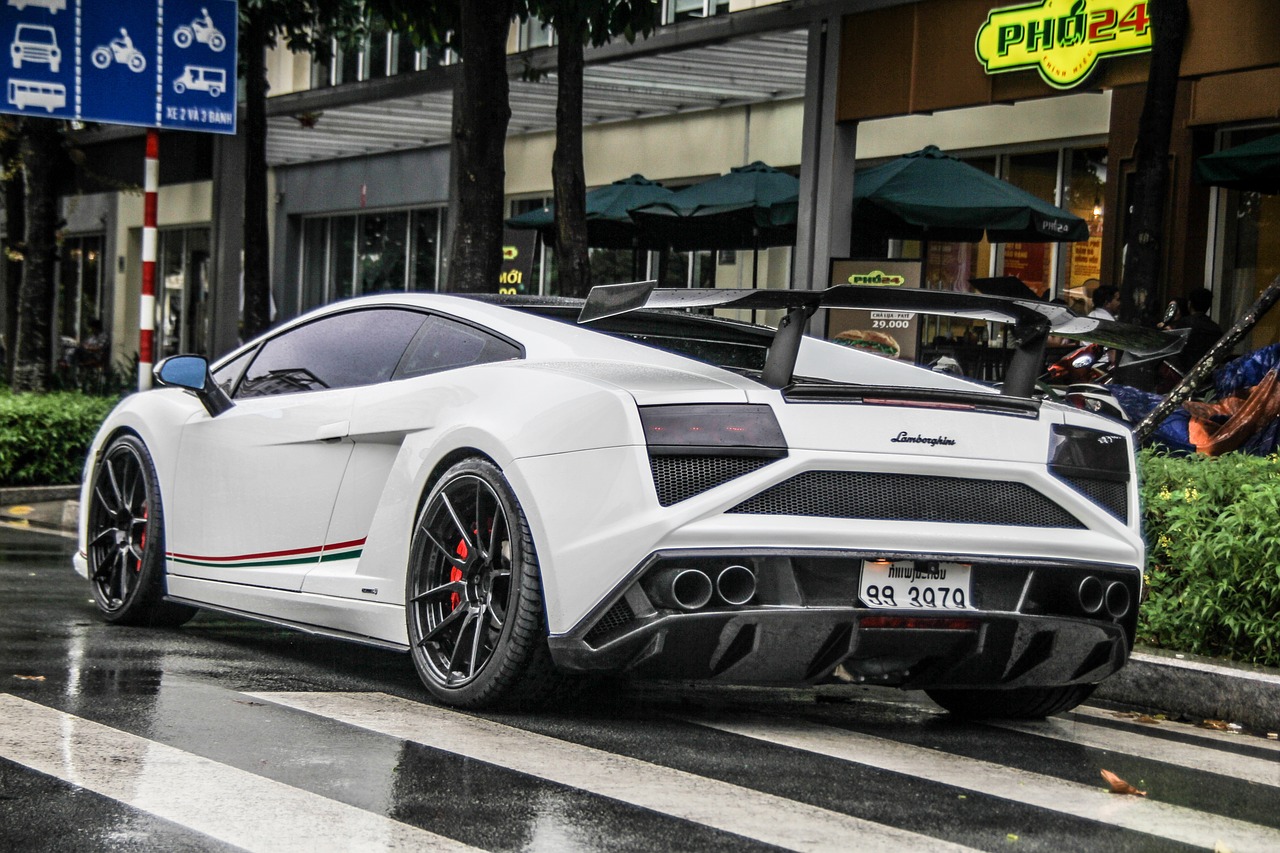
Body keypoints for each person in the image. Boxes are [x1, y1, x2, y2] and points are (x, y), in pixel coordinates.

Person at [1176, 288, 1224, 372]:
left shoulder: (1184, 324)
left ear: (1189, 304)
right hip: (1207, 375)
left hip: (1184, 373)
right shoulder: (1215, 328)